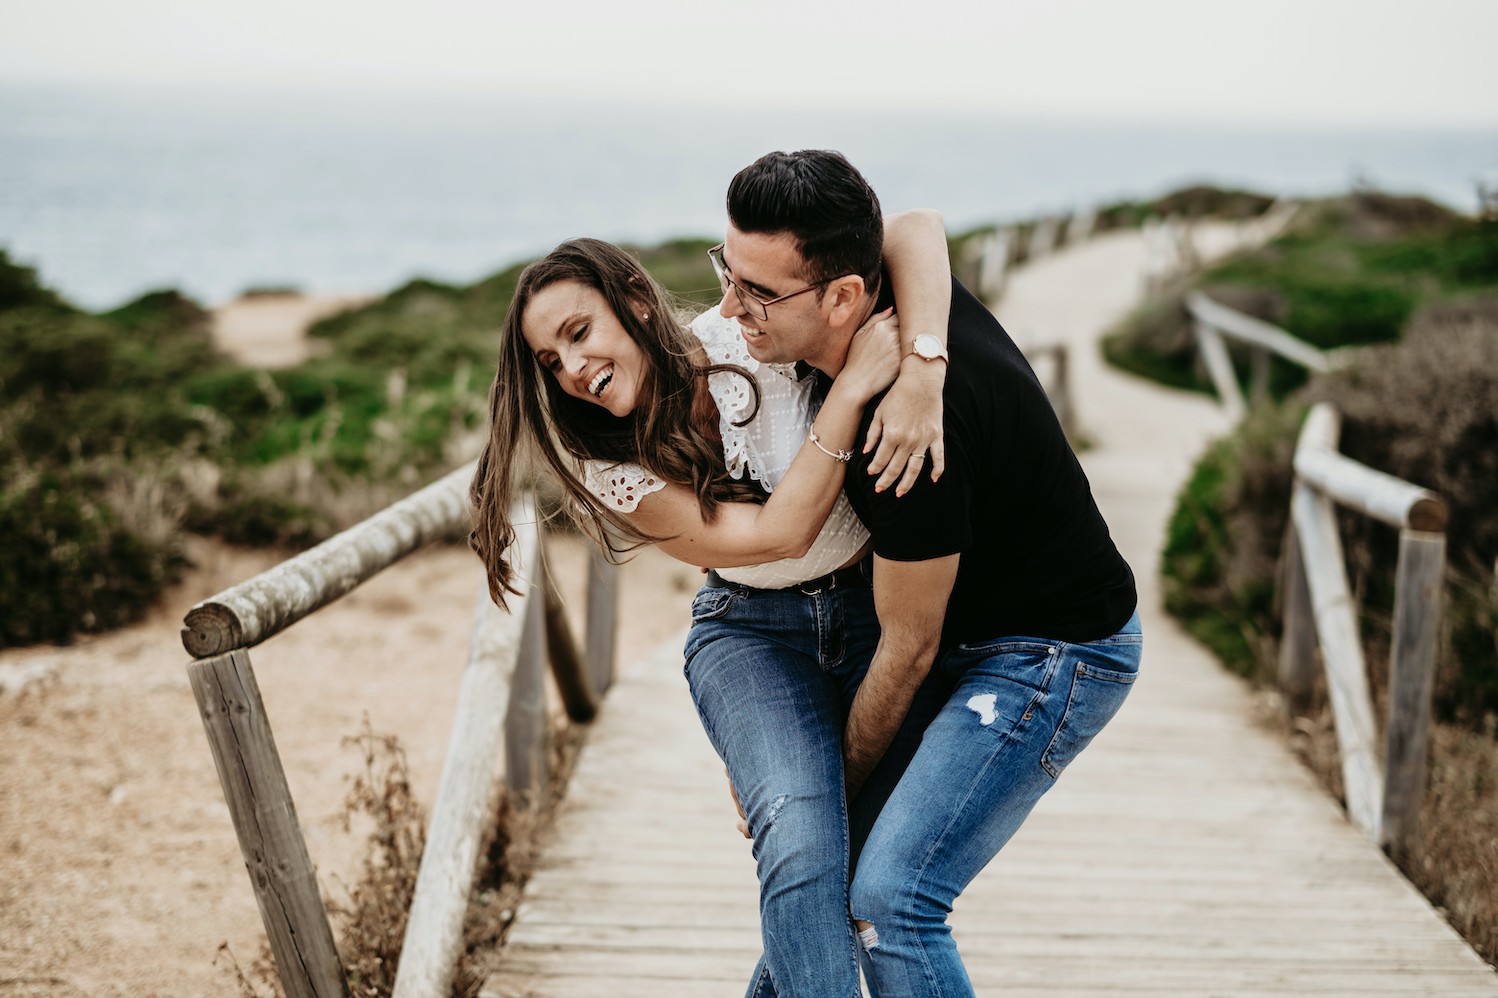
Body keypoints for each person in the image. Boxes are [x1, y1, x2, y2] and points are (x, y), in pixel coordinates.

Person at [469, 218, 954, 997]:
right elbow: (780, 535)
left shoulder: (745, 332)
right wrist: (859, 384)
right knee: (800, 849)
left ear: (632, 296)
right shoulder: (609, 466)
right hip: (751, 637)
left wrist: (923, 365)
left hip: (874, 612)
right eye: (550, 361)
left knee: (851, 867)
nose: (572, 368)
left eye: (578, 332)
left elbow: (914, 231)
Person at [711, 149, 1142, 997]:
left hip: (1052, 653)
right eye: (728, 270)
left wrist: (817, 793)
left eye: (758, 294)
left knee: (889, 898)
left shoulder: (902, 448)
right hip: (964, 636)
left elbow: (907, 649)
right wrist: (926, 357)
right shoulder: (901, 305)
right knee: (817, 891)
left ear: (843, 296)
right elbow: (913, 226)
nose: (731, 307)